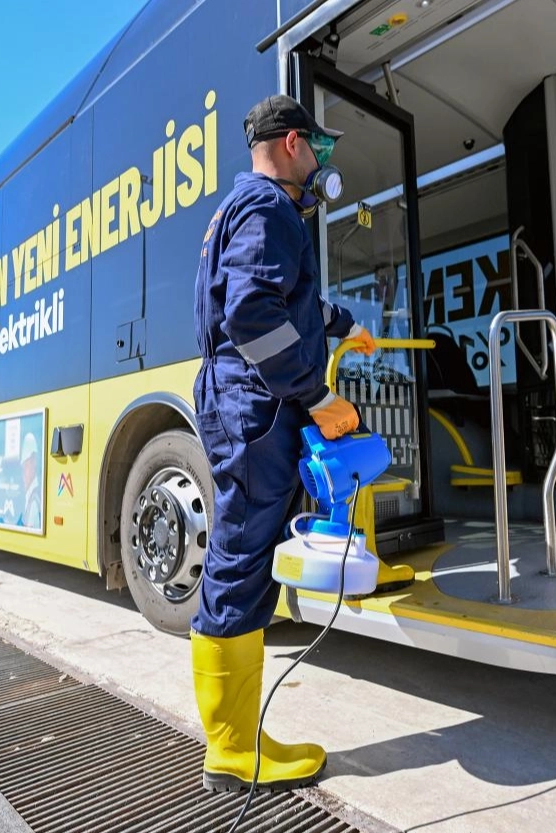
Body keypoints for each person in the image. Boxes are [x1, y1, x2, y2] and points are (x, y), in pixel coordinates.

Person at [189, 94, 412, 794]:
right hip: (257, 406)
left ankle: (235, 737)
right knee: (240, 557)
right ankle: (231, 748)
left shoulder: (241, 208)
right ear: (291, 143)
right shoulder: (270, 208)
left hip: (244, 401)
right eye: (317, 147)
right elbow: (253, 313)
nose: (319, 162)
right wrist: (317, 395)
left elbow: (287, 300)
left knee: (244, 556)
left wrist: (345, 324)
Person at [20, 433, 42, 529]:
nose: (23, 474)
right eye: (23, 467)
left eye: (26, 466)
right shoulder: (29, 496)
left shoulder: (34, 500)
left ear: (34, 463)